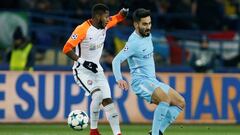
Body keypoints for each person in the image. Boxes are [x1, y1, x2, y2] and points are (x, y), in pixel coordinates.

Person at [112, 8, 185, 135]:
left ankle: (157, 131)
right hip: (140, 81)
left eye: (149, 23)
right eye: (144, 24)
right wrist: (119, 79)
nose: (148, 27)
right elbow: (116, 61)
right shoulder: (133, 42)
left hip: (152, 80)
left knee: (180, 102)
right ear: (136, 24)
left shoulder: (147, 34)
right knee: (165, 99)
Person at [62, 3, 128, 135]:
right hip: (82, 71)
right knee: (97, 95)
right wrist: (83, 62)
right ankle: (93, 131)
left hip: (97, 70)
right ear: (98, 16)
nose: (108, 19)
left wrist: (123, 13)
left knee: (108, 102)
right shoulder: (82, 29)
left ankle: (118, 133)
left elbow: (117, 18)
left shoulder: (105, 24)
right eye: (106, 16)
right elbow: (66, 49)